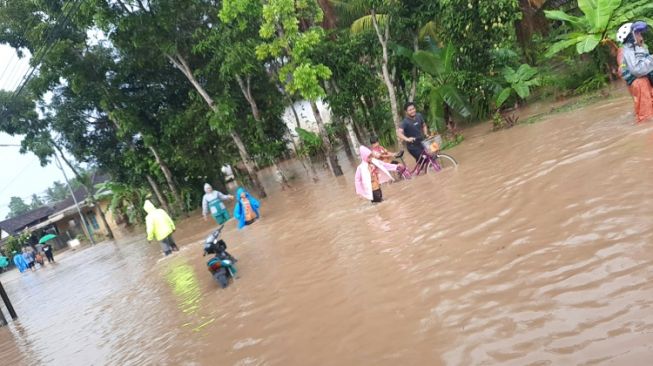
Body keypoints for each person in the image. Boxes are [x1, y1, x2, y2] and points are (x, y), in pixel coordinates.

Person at [616, 21, 653, 123]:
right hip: (640, 83)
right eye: (638, 33)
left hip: (642, 82)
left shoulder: (637, 48)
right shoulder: (627, 51)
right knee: (647, 118)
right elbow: (636, 69)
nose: (641, 36)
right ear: (631, 36)